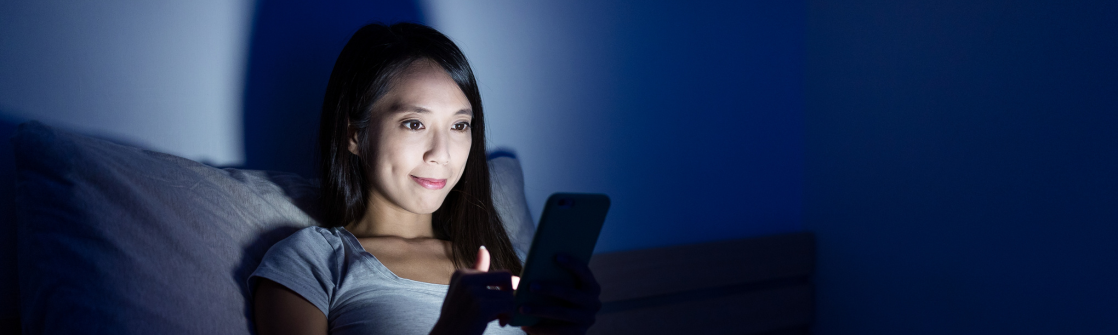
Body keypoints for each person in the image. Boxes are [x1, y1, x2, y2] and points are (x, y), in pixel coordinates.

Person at [249, 22, 602, 335]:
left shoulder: (511, 262)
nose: (442, 153)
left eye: (459, 125)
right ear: (355, 136)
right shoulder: (312, 262)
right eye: (414, 124)